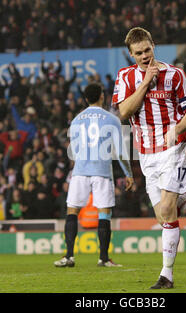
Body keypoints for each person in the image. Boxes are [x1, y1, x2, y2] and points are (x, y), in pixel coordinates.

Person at [111, 27, 186, 289]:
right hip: (145, 154)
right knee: (162, 217)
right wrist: (145, 82)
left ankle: (166, 275)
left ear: (153, 46)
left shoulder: (175, 75)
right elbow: (123, 112)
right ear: (131, 55)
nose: (144, 56)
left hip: (173, 149)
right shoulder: (125, 77)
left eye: (147, 50)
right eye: (138, 53)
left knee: (168, 211)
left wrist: (176, 130)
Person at [54, 83, 134, 268]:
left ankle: (69, 256)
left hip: (80, 171)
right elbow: (120, 151)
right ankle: (104, 258)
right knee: (104, 214)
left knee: (72, 211)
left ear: (85, 99)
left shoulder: (76, 120)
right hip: (102, 172)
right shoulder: (111, 119)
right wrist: (128, 174)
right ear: (102, 96)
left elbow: (73, 150)